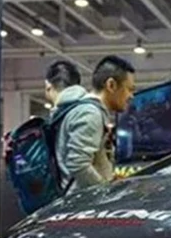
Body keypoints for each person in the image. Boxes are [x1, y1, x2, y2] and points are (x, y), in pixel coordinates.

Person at [54, 55, 136, 192]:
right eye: (129, 89)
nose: (131, 96)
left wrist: (109, 179)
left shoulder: (86, 110)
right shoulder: (90, 114)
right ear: (111, 85)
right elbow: (78, 164)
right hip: (81, 202)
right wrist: (106, 191)